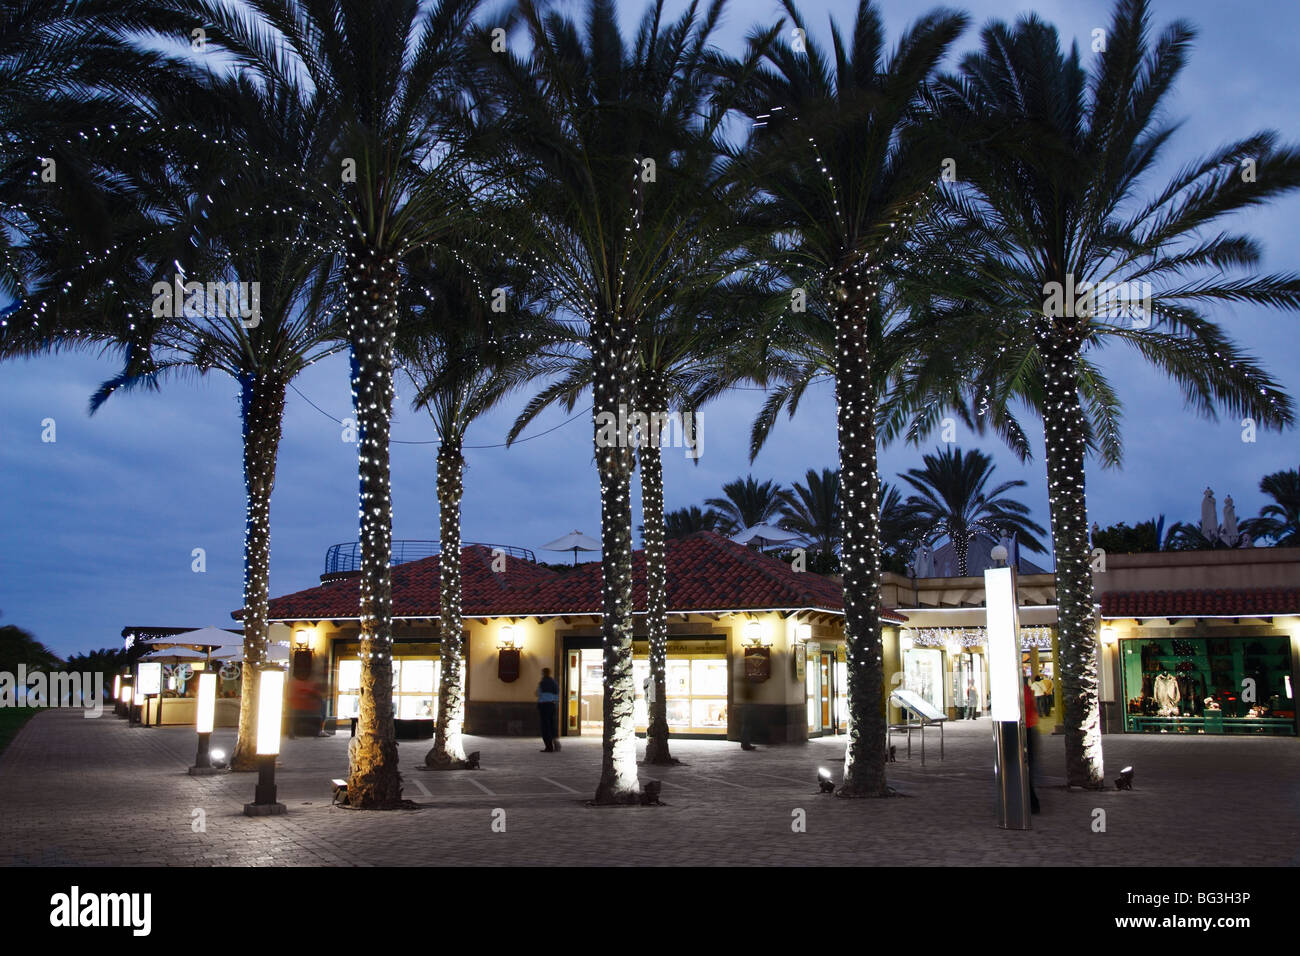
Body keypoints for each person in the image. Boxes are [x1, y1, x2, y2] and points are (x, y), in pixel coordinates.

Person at [1024, 676, 1041, 814]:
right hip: (1029, 728)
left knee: (1023, 768)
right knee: (1028, 767)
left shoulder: (1022, 692)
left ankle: (1031, 802)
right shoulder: (1028, 691)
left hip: (1024, 730)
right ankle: (1032, 802)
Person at [536, 667, 560, 753]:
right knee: (551, 724)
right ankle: (555, 740)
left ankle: (548, 746)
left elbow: (538, 693)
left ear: (543, 673)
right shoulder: (554, 683)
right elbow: (557, 693)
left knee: (545, 726)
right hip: (552, 705)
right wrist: (556, 704)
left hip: (544, 705)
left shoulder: (542, 683)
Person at [738, 675, 757, 750]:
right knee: (746, 726)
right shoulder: (748, 688)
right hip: (748, 706)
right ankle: (746, 743)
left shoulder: (744, 687)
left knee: (745, 726)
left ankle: (744, 743)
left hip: (746, 706)